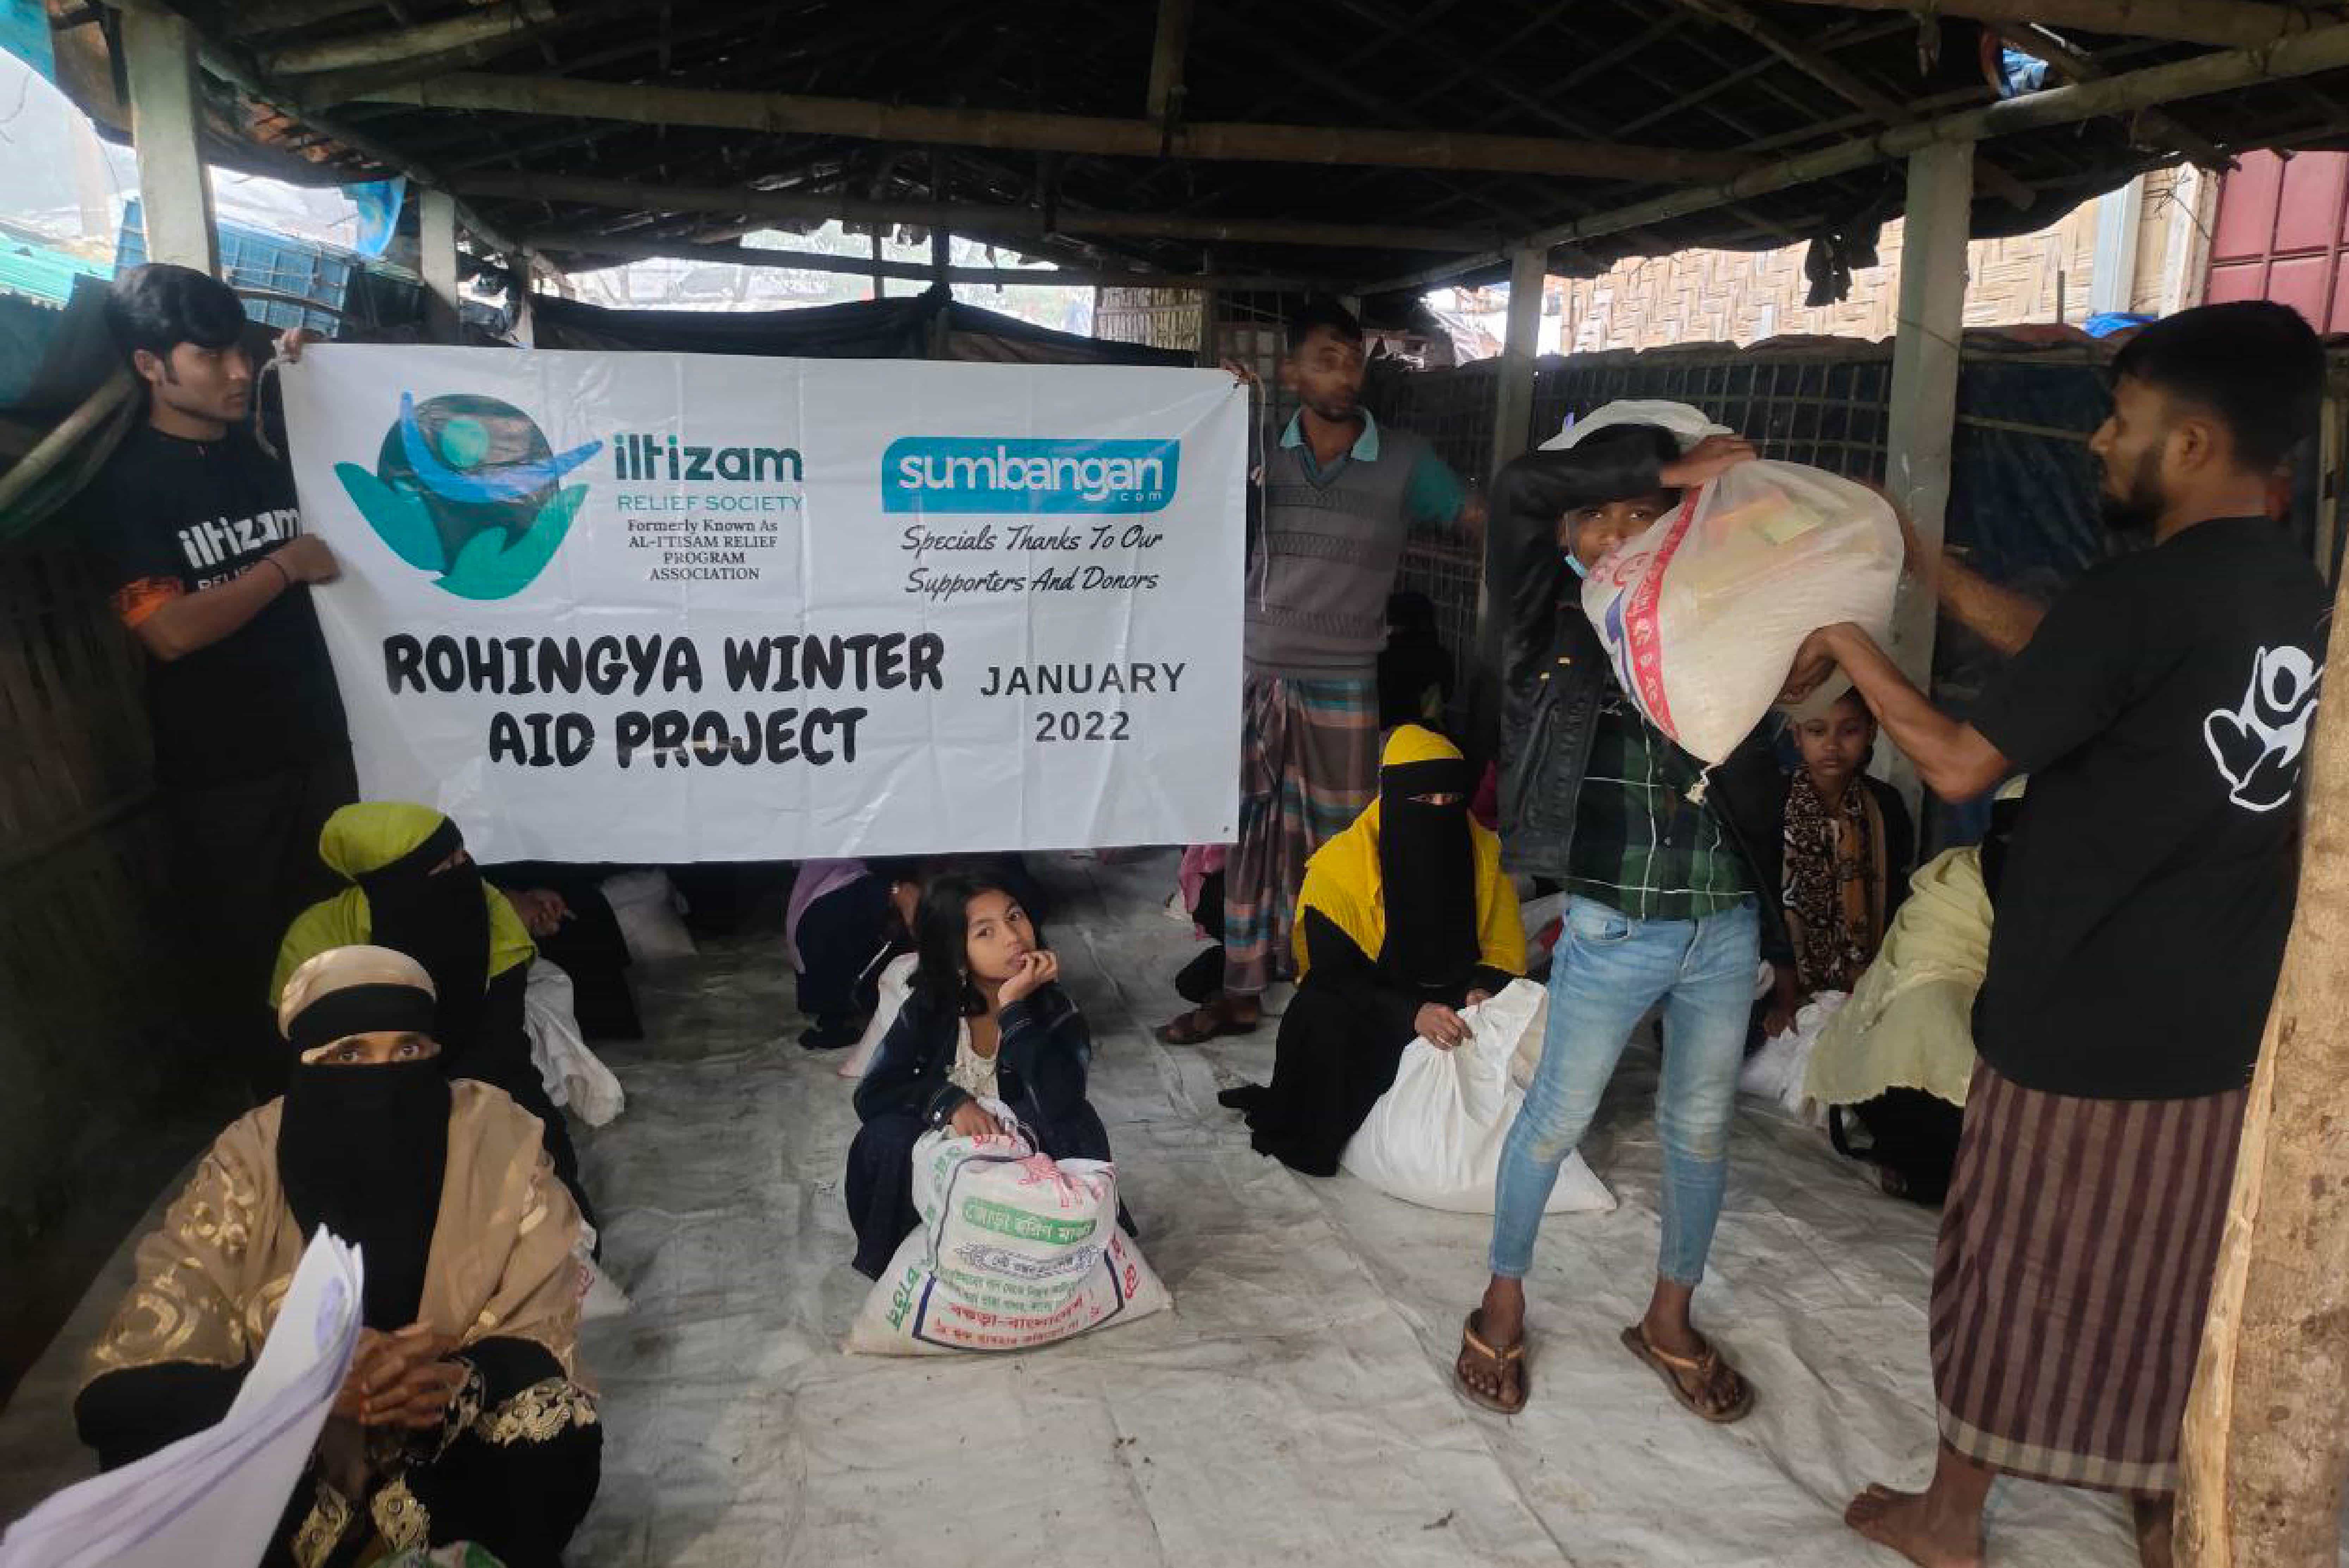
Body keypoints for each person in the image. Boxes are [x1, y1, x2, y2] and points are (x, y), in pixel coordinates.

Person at [1794, 301, 2329, 1568]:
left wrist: (1846, 638)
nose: (2097, 441)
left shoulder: (2138, 592)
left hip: (2077, 1012)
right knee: (2169, 1280)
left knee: (2011, 1262)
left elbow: (1959, 761)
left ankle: (1950, 1516)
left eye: (2120, 420)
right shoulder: (2293, 591)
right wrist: (1925, 563)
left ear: (2188, 444)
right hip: (2217, 1018)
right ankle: (2163, 1515)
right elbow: (2068, 656)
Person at [1454, 411, 1793, 1423]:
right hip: (1612, 924)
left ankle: (1668, 1317)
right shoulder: (1544, 618)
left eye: (1639, 517)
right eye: (1594, 515)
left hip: (1721, 922)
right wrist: (1668, 468)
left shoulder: (1710, 614)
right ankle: (1502, 1298)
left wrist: (1723, 496)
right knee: (1555, 1118)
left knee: (1699, 1127)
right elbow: (1518, 488)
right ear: (1566, 531)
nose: (1613, 535)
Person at [75, 945, 600, 1566]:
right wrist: (306, 1392)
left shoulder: (494, 1135)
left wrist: (452, 1380)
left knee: (554, 1423)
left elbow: (539, 1312)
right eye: (349, 1054)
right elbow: (146, 1360)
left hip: (445, 1437)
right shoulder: (250, 1159)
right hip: (288, 1448)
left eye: (408, 1049)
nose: (383, 1077)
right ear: (305, 1064)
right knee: (153, 1449)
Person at [1160, 296, 1475, 1045]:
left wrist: (1568, 543)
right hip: (1253, 674)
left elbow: (1477, 518)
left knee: (1340, 846)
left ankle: (1337, 993)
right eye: (1325, 359)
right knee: (1244, 841)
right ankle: (1240, 991)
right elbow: (1174, 501)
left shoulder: (1405, 461)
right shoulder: (1253, 453)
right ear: (1291, 373)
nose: (1344, 373)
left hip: (1345, 679)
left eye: (1353, 359)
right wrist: (1210, 408)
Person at [82, 264, 351, 1098]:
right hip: (224, 769)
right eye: (210, 356)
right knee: (246, 947)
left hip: (321, 743)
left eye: (242, 351)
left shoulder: (263, 450)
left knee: (335, 926)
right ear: (150, 365)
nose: (238, 371)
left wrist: (328, 373)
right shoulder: (128, 485)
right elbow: (168, 630)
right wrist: (282, 567)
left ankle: (346, 1084)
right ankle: (265, 1113)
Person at [1218, 725, 1525, 1175]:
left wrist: (1481, 991)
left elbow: (1500, 950)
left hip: (1451, 1008)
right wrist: (1411, 1013)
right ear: (1393, 799)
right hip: (1372, 1009)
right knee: (1320, 1014)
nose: (1439, 812)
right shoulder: (1340, 870)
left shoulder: (1483, 857)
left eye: (1450, 800)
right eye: (1424, 800)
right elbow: (1332, 975)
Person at [273, 803, 595, 1231]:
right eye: (447, 864)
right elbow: (312, 1064)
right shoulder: (320, 939)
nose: (465, 871)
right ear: (394, 882)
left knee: (551, 1212)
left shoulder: (486, 907)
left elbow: (499, 1047)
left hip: (487, 1081)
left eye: (463, 855)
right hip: (369, 1103)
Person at [846, 874, 1126, 1279]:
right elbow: (872, 1094)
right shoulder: (931, 1007)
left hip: (1029, 1172)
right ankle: (902, 1262)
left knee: (1064, 1122)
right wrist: (947, 1103)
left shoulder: (1056, 1011)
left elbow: (1061, 1103)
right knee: (885, 1135)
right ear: (957, 954)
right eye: (985, 932)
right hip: (947, 1165)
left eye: (1015, 917)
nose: (1013, 937)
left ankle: (1043, 1262)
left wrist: (1014, 1010)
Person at [1761, 688, 1916, 1037]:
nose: (1832, 745)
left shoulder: (1885, 805)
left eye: (1849, 731)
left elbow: (1893, 894)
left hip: (1866, 977)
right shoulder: (1773, 802)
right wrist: (1783, 993)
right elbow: (1766, 901)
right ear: (1796, 735)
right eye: (1817, 731)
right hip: (1780, 979)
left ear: (1871, 732)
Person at [786, 859, 917, 1050]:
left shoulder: (831, 884)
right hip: (833, 984)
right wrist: (899, 893)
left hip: (821, 986)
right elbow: (903, 895)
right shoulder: (850, 893)